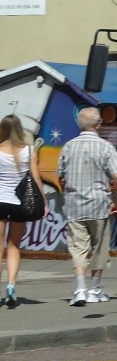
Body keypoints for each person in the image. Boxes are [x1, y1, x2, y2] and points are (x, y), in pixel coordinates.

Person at [57, 107, 117, 307]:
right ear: (97, 125)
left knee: (78, 248)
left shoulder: (69, 146)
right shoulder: (105, 147)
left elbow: (60, 176)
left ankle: (79, 289)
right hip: (99, 204)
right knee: (100, 247)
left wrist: (67, 191)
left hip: (74, 204)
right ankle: (95, 289)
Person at [0, 115, 45, 308]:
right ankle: (11, 285)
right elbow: (35, 180)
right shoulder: (29, 151)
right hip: (20, 204)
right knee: (13, 246)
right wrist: (43, 202)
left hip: (0, 201)